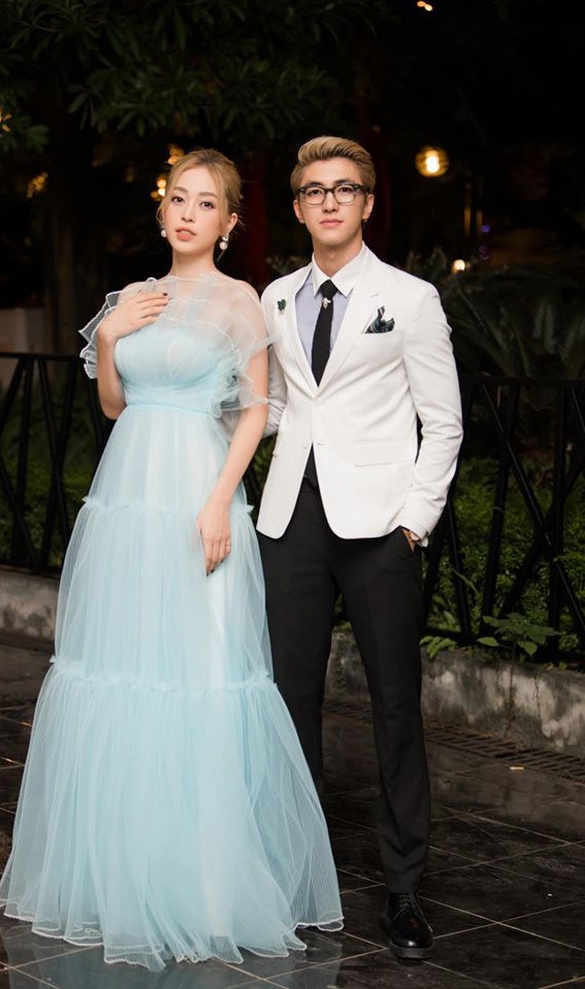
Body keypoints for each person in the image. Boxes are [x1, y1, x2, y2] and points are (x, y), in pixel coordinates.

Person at [0, 148, 343, 971]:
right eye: (178, 199)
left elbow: (254, 410)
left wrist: (219, 501)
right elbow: (116, 405)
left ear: (229, 221)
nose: (188, 213)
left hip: (195, 493)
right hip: (126, 499)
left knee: (199, 674)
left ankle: (208, 885)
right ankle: (122, 871)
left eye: (205, 203)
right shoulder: (131, 297)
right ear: (163, 212)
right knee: (120, 667)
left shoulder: (238, 300)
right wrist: (113, 335)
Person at [257, 136, 464, 961]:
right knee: (288, 702)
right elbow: (279, 407)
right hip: (291, 523)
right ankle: (299, 877)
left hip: (380, 527)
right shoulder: (276, 296)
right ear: (299, 207)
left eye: (345, 188)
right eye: (315, 190)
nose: (330, 201)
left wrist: (414, 520)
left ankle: (404, 889)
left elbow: (443, 421)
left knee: (394, 706)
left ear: (369, 202)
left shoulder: (409, 298)